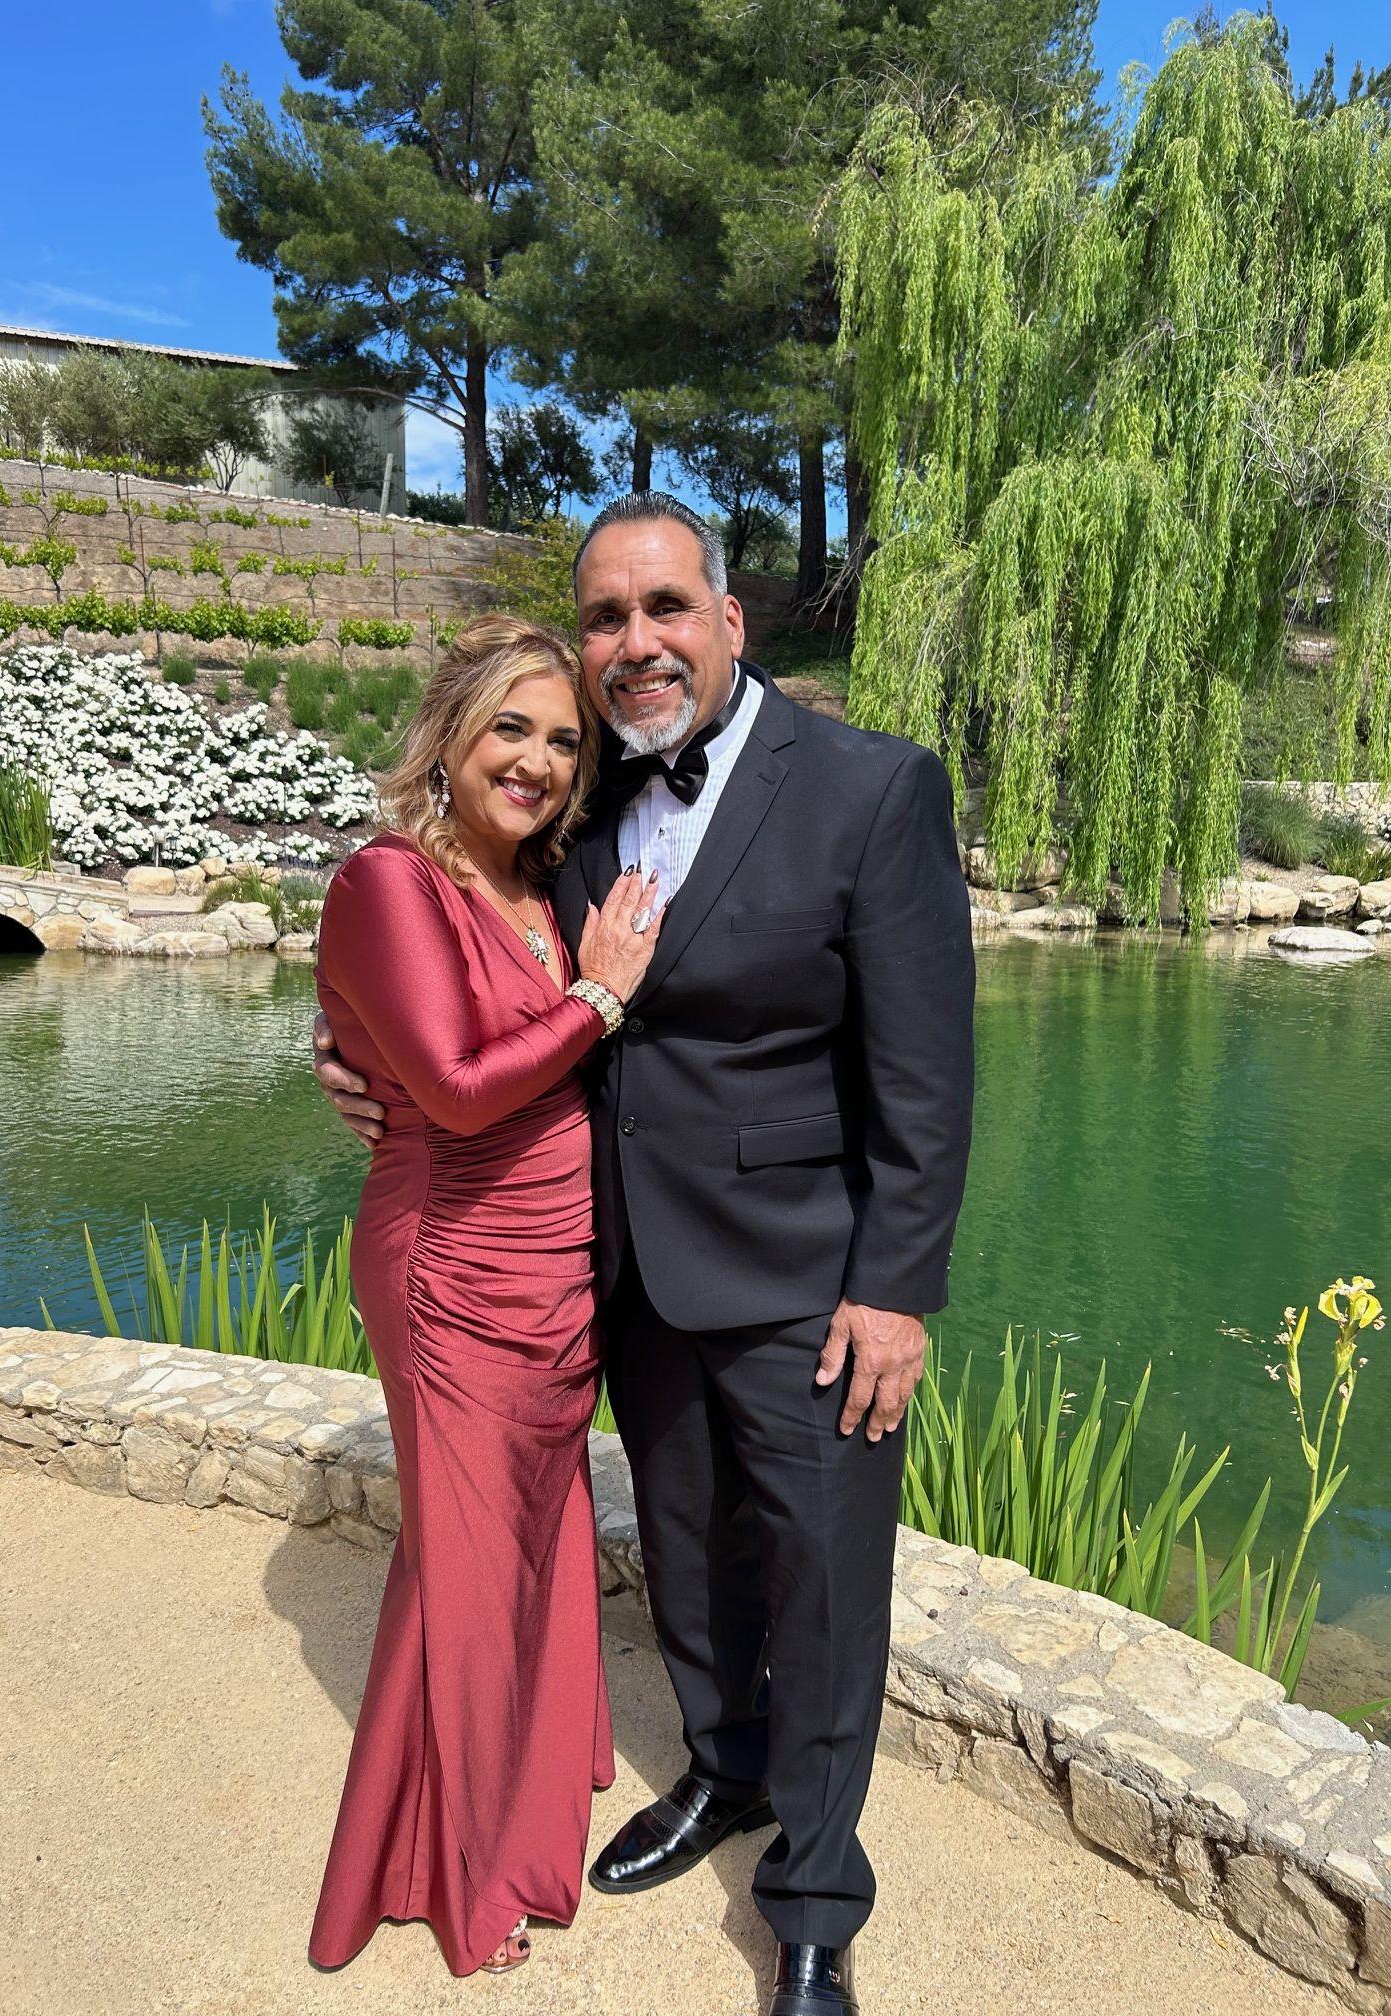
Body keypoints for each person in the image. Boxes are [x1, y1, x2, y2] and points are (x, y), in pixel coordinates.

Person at [315, 494, 975, 2016]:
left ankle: (815, 1897)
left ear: (728, 619)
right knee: (686, 1555)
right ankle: (723, 1771)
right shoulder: (578, 795)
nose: (637, 642)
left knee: (822, 1586)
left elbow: (927, 1076)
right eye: (606, 617)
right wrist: (348, 1053)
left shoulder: (871, 788)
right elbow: (453, 955)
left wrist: (895, 1290)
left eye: (666, 606)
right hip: (620, 1270)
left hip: (809, 1280)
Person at [304, 612, 665, 1978]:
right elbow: (456, 1091)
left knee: (523, 1543)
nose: (537, 761)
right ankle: (464, 1875)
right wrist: (602, 999)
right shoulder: (389, 879)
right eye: (510, 727)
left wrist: (343, 1037)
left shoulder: (544, 887)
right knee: (463, 1568)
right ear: (449, 734)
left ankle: (516, 1774)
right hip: (451, 1267)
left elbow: (416, 1030)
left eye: (564, 742)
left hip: (554, 1272)